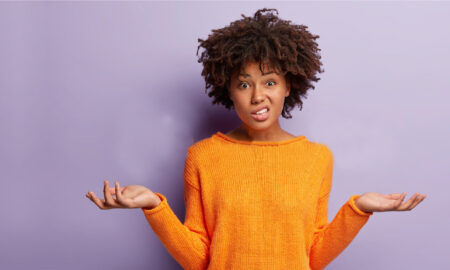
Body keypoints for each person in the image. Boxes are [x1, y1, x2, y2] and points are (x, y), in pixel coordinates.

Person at [85, 8, 426, 270]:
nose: (258, 96)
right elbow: (198, 259)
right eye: (244, 84)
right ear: (228, 90)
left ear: (288, 85)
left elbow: (312, 256)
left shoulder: (316, 158)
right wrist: (154, 206)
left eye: (270, 82)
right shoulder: (203, 156)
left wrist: (358, 209)